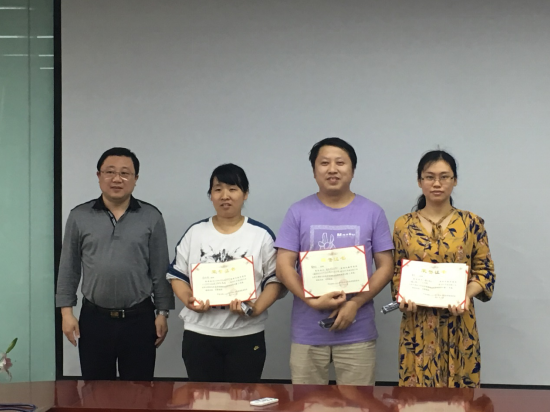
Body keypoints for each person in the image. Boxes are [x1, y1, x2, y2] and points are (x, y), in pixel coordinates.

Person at [275, 137, 394, 386]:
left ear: (352, 169)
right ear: (314, 171)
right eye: (324, 163)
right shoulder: (297, 212)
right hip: (308, 332)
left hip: (357, 329)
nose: (332, 169)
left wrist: (355, 304)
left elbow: (386, 266)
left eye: (340, 163)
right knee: (307, 402)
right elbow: (283, 265)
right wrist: (311, 300)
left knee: (357, 403)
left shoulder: (373, 212)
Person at [56, 147, 174, 381]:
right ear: (98, 175)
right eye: (109, 172)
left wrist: (162, 314)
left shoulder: (151, 216)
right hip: (94, 318)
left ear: (135, 179)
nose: (117, 179)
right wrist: (66, 314)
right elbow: (69, 267)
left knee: (139, 391)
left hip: (139, 318)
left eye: (124, 173)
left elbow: (160, 269)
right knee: (96, 391)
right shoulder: (79, 216)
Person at [167, 163, 285, 383]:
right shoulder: (195, 233)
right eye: (218, 189)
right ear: (210, 195)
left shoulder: (260, 235)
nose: (225, 196)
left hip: (246, 333)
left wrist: (256, 308)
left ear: (245, 193)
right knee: (201, 397)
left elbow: (276, 279)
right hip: (199, 333)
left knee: (243, 397)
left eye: (233, 189)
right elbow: (177, 275)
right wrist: (189, 300)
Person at [391, 150, 496, 388]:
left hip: (459, 323)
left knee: (459, 396)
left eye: (444, 177)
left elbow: (485, 271)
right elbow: (398, 272)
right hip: (417, 323)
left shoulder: (472, 223)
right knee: (417, 396)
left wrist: (465, 295)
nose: (437, 183)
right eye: (429, 177)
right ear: (419, 181)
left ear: (454, 180)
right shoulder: (403, 225)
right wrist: (402, 297)